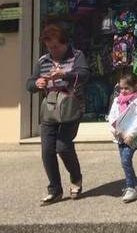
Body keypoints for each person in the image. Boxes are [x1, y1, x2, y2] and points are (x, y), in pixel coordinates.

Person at [26, 24, 89, 205]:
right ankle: (55, 190)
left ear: (64, 43)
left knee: (62, 146)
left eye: (56, 46)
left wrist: (64, 75)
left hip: (71, 108)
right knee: (47, 150)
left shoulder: (77, 55)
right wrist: (36, 83)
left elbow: (84, 74)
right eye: (49, 47)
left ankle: (76, 179)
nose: (53, 51)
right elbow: (29, 84)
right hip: (50, 109)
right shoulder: (43, 61)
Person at [107, 71, 137, 203]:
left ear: (135, 86)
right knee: (125, 162)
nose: (123, 91)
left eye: (127, 88)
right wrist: (114, 130)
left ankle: (130, 187)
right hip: (119, 136)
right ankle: (135, 186)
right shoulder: (117, 100)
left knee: (126, 160)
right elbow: (112, 116)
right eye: (121, 88)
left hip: (132, 136)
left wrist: (131, 135)